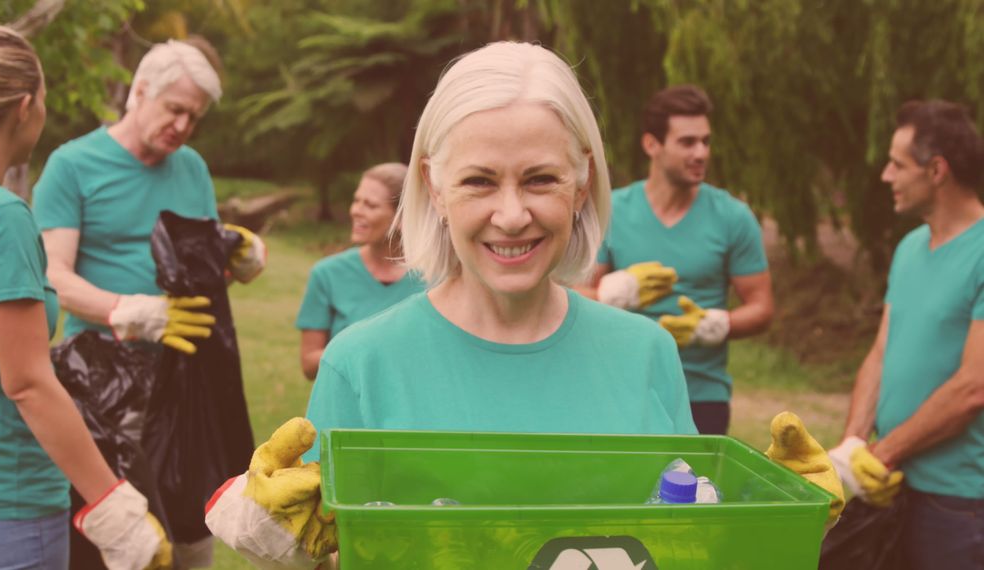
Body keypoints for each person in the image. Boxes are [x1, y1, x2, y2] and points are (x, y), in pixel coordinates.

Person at [203, 42, 843, 568]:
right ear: (434, 186)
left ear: (582, 181)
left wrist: (774, 515)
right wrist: (283, 547)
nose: (512, 216)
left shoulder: (647, 353)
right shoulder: (361, 365)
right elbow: (329, 549)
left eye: (540, 179)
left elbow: (682, 546)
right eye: (479, 181)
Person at [0, 22, 169, 569]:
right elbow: (26, 384)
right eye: (44, 99)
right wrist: (114, 508)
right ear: (25, 106)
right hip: (7, 504)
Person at [32, 38, 265, 568]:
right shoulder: (73, 166)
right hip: (103, 377)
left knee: (192, 523)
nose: (183, 126)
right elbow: (53, 276)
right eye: (175, 109)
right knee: (122, 532)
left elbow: (200, 264)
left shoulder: (191, 168)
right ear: (139, 91)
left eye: (194, 117)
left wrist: (238, 256)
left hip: (182, 377)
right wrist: (134, 312)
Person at [828, 100, 984, 570]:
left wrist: (882, 453)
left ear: (936, 170)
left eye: (897, 164)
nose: (885, 176)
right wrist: (852, 450)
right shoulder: (910, 248)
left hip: (957, 503)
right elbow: (881, 354)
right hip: (890, 490)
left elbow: (973, 386)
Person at [588, 85, 774, 435]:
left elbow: (762, 308)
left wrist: (714, 326)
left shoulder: (733, 217)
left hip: (701, 394)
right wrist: (614, 292)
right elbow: (571, 296)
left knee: (696, 475)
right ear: (652, 145)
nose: (701, 153)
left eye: (706, 141)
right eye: (687, 142)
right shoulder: (610, 212)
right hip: (623, 385)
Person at [296, 162, 425, 379]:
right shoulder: (327, 274)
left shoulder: (435, 278)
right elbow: (309, 364)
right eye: (356, 201)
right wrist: (368, 349)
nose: (356, 211)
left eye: (370, 205)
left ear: (402, 218)